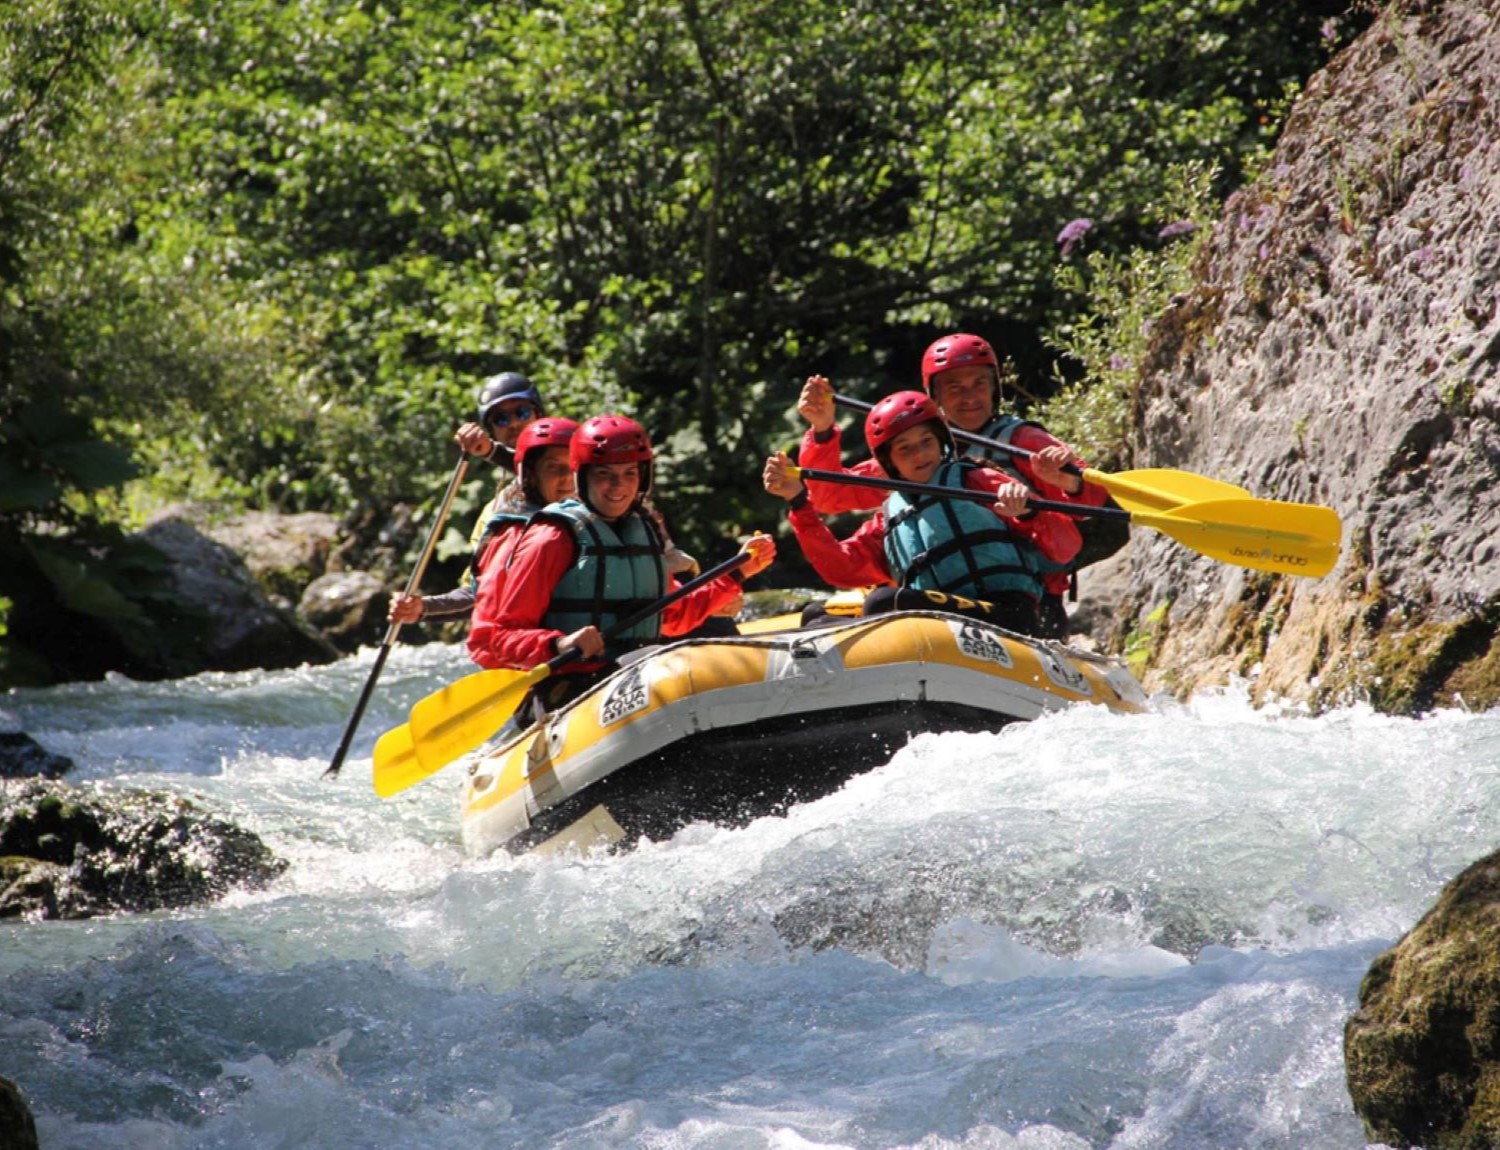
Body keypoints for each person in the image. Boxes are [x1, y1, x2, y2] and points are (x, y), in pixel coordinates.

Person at [792, 333, 1124, 637]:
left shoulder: (1022, 441)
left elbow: (1090, 504)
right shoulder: (910, 456)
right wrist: (822, 431)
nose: (969, 397)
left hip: (1027, 598)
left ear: (995, 387)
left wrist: (1063, 480)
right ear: (933, 395)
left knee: (883, 602)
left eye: (979, 383)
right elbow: (828, 495)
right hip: (938, 599)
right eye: (955, 387)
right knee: (818, 615)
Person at [468, 414, 776, 712]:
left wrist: (736, 573)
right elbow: (499, 638)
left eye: (629, 474)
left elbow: (675, 617)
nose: (618, 487)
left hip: (638, 669)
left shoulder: (640, 530)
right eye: (604, 474)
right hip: (569, 688)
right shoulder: (549, 538)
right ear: (583, 477)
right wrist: (559, 644)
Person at [763, 390, 1079, 637]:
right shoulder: (889, 516)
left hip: (1008, 615)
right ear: (889, 463)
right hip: (940, 626)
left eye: (926, 442)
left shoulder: (979, 481)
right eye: (905, 449)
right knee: (815, 616)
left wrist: (1027, 514)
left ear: (941, 442)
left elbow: (1066, 547)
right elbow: (841, 568)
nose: (920, 454)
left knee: (882, 602)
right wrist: (798, 503)